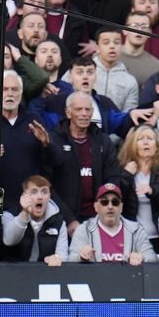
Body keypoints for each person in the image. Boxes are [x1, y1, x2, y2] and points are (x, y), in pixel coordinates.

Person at [47, 91, 121, 231]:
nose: (84, 113)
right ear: (68, 112)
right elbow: (48, 184)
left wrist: (103, 212)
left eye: (88, 109)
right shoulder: (54, 140)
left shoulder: (103, 141)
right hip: (63, 221)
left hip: (98, 219)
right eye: (79, 109)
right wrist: (68, 220)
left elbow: (112, 179)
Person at [117, 125, 159, 252]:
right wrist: (126, 175)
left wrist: (153, 191)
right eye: (140, 139)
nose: (145, 142)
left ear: (157, 145)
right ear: (133, 145)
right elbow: (116, 199)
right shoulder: (123, 168)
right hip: (131, 235)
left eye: (150, 138)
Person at [68, 182, 157, 264]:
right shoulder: (84, 229)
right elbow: (70, 261)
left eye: (115, 202)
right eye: (104, 202)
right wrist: (81, 256)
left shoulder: (136, 229)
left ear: (121, 207)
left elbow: (153, 259)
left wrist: (142, 257)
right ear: (96, 206)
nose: (110, 206)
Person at [1, 175, 68, 266]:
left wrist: (56, 258)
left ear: (49, 196)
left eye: (44, 192)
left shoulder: (59, 222)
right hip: (14, 272)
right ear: (24, 196)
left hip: (44, 273)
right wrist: (24, 214)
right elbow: (9, 240)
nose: (40, 197)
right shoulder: (9, 215)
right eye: (34, 192)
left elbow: (63, 255)